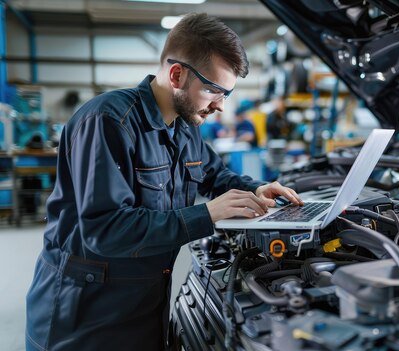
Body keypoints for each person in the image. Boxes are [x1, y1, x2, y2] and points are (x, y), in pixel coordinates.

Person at [25, 13, 303, 351]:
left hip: (144, 303)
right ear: (177, 74)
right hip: (86, 316)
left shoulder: (185, 127)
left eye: (226, 94)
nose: (219, 105)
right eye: (213, 90)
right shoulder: (108, 122)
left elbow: (216, 175)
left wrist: (257, 188)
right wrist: (207, 215)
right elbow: (104, 229)